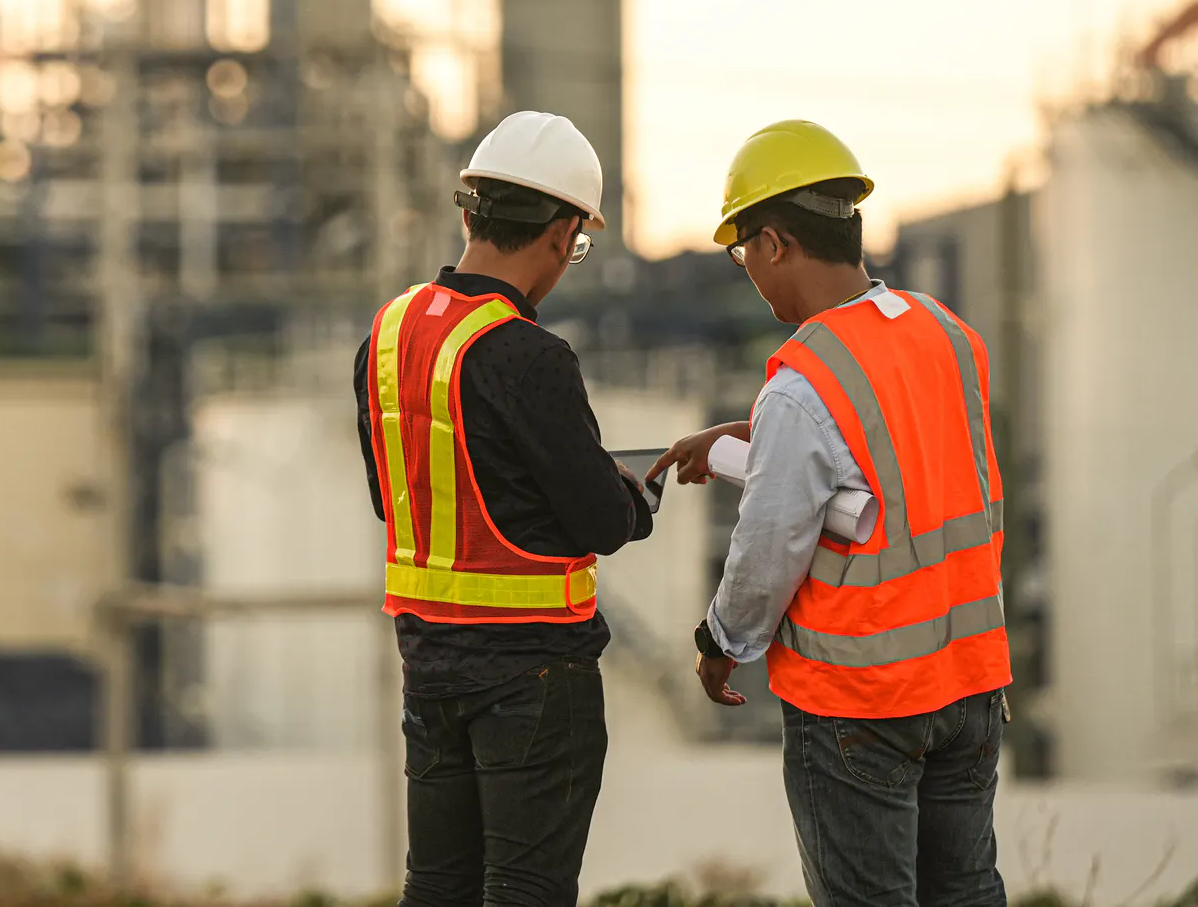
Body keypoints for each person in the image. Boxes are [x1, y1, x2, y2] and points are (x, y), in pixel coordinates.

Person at [649, 120, 1010, 907]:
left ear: (774, 243)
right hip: (968, 682)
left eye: (741, 251)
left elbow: (772, 540)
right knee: (968, 892)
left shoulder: (803, 378)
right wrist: (744, 439)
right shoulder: (946, 335)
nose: (746, 270)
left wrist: (721, 641)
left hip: (860, 699)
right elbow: (893, 469)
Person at [355, 110, 656, 907]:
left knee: (438, 888)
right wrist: (635, 494)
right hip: (534, 675)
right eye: (576, 245)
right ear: (560, 234)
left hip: (427, 668)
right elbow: (600, 523)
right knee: (527, 891)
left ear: (467, 214)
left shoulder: (387, 335)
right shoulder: (528, 355)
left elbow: (398, 501)